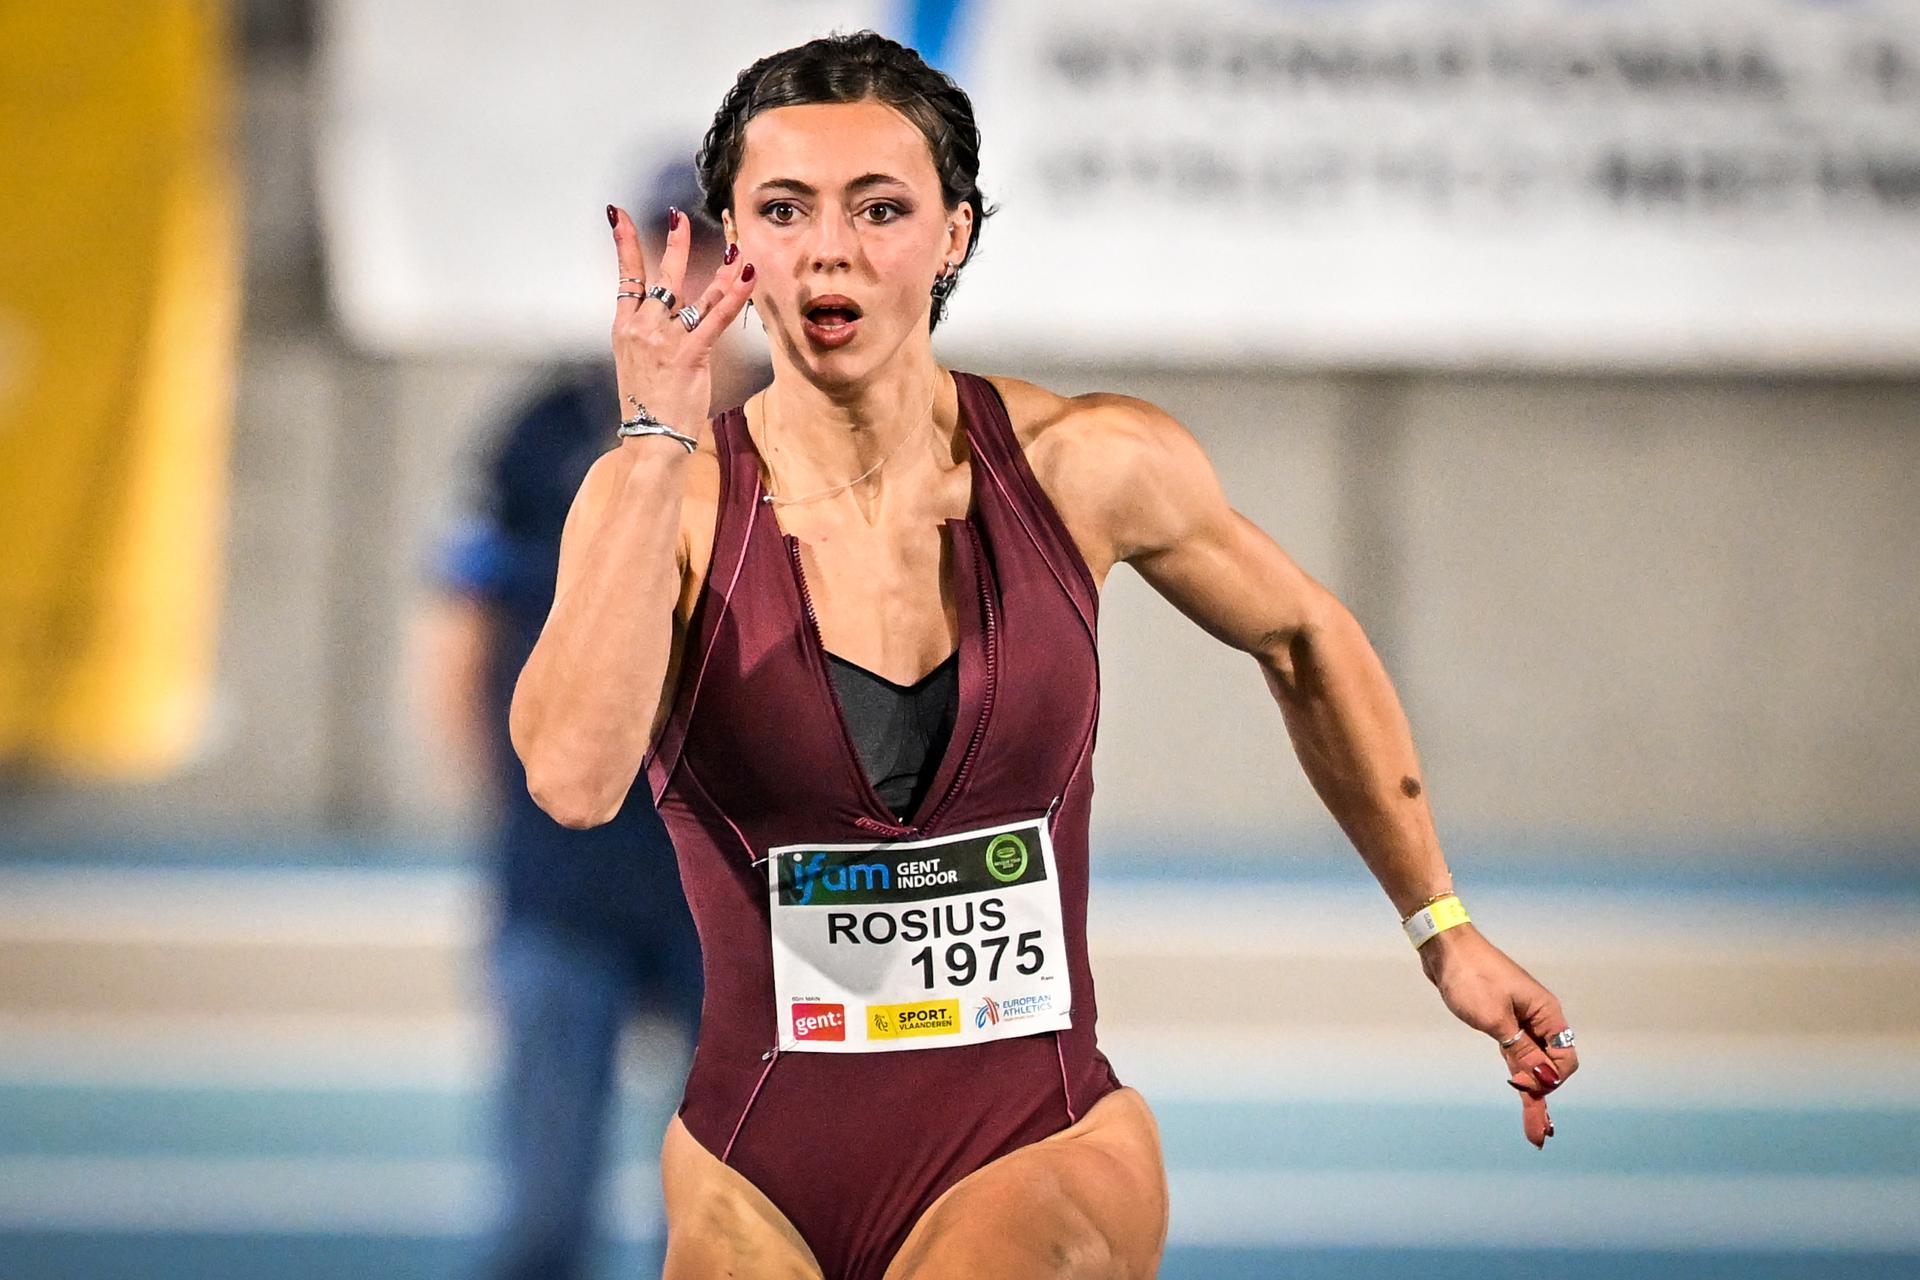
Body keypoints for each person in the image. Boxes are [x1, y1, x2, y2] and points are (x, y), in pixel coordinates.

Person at [509, 30, 1581, 1280]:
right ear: (736, 239)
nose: (831, 249)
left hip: (1038, 1138)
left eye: (881, 208)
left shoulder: (1088, 464)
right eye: (785, 209)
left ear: (955, 232)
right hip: (755, 1168)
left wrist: (1442, 925)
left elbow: (1303, 635)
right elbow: (576, 782)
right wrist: (652, 441)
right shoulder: (671, 503)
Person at [416, 165, 763, 1280]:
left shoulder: (807, 431)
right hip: (568, 877)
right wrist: (511, 815)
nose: (696, 277)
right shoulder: (546, 429)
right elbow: (462, 636)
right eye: (675, 252)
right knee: (543, 1222)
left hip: (741, 887)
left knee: (727, 1229)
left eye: (717, 251)